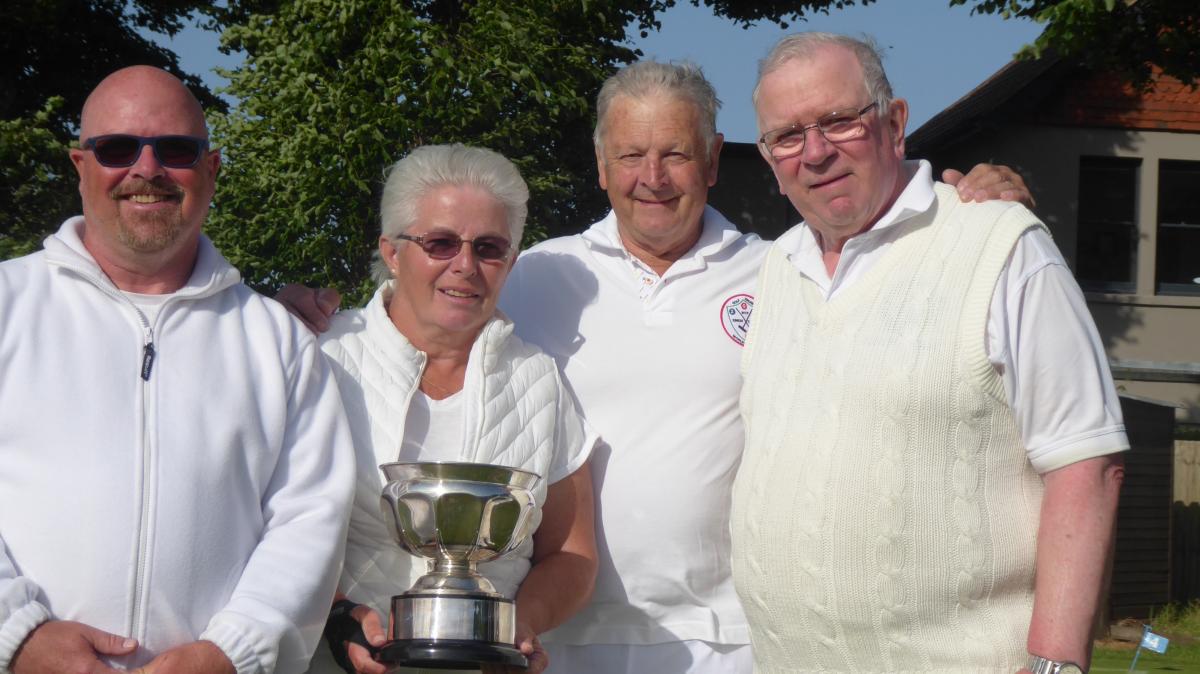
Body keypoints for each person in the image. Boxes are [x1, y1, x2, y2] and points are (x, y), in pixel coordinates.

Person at [279, 61, 1030, 674]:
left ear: (711, 160)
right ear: (602, 169)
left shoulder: (786, 272)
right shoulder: (538, 272)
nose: (653, 176)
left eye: (674, 152)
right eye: (631, 155)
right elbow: (419, 302)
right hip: (560, 644)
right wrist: (292, 316)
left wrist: (961, 209)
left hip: (729, 640)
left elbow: (891, 278)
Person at [733, 32, 1127, 674]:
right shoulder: (776, 269)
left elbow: (1087, 463)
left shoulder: (998, 243)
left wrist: (1056, 664)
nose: (815, 152)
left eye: (838, 121)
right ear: (770, 160)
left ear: (893, 123)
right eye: (788, 135)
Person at [0, 66, 355, 674]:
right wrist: (18, 633)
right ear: (80, 166)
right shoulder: (8, 304)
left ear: (211, 169)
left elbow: (311, 517)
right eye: (115, 148)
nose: (146, 169)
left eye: (176, 150)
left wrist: (233, 652)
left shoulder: (276, 341)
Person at [307, 144, 597, 674]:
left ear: (510, 261)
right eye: (440, 243)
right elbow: (263, 525)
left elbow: (573, 554)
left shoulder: (539, 380)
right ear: (393, 252)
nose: (465, 266)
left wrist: (515, 629)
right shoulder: (321, 359)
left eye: (488, 248)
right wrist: (337, 617)